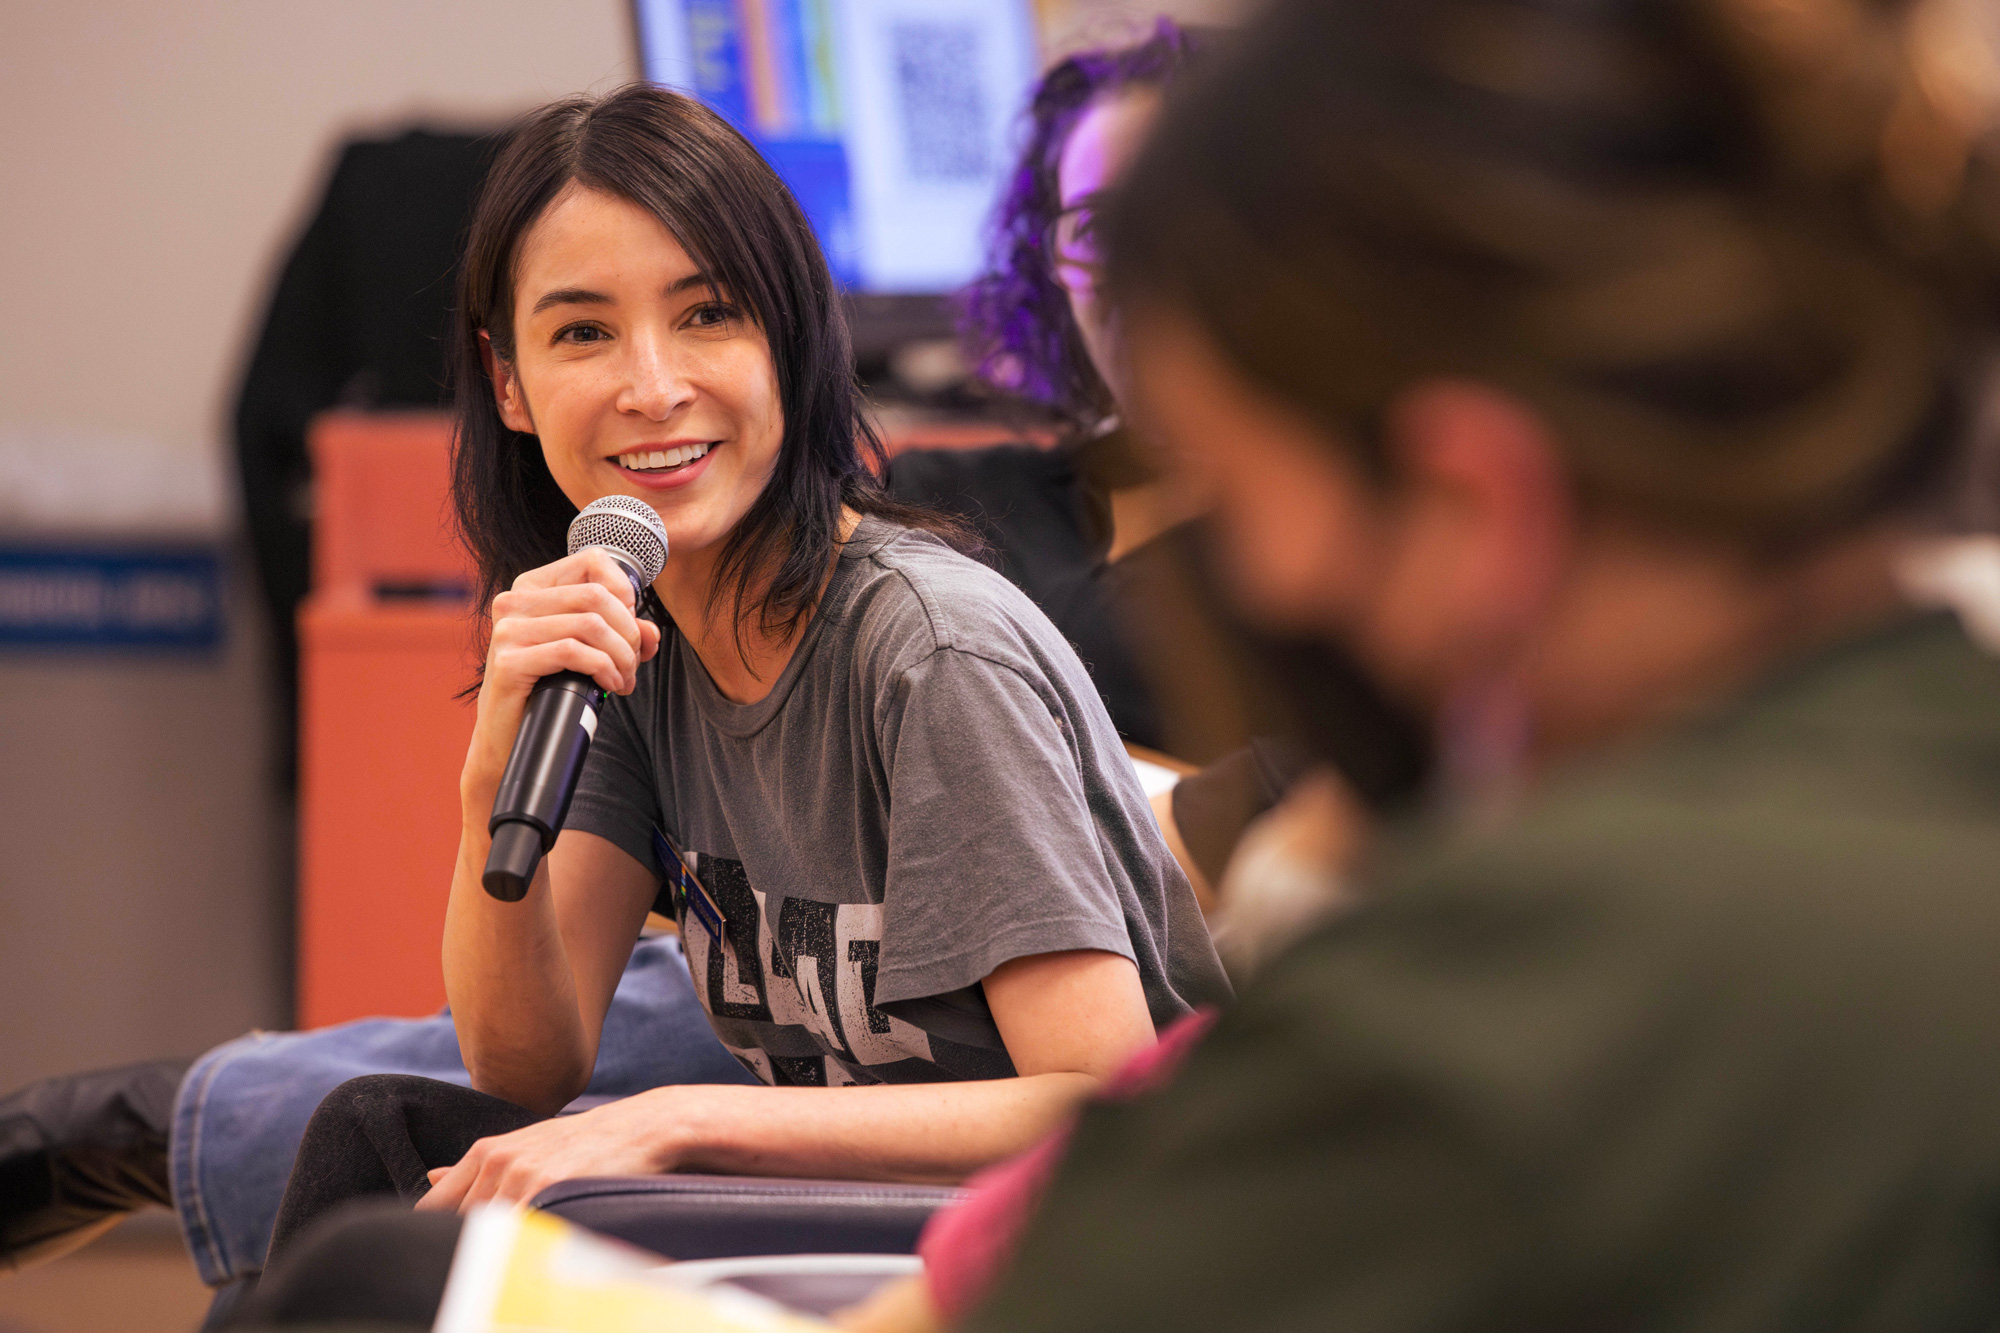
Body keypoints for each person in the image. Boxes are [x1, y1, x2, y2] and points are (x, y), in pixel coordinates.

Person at [259, 81, 1226, 1262]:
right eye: (581, 332)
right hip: (865, 1221)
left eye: (707, 314)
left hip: (1072, 1243)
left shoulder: (929, 650)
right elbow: (524, 1061)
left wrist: (673, 1122)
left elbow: (1100, 1102)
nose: (651, 386)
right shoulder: (628, 629)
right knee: (380, 1135)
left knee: (405, 1257)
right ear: (506, 381)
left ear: (792, 339)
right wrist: (490, 775)